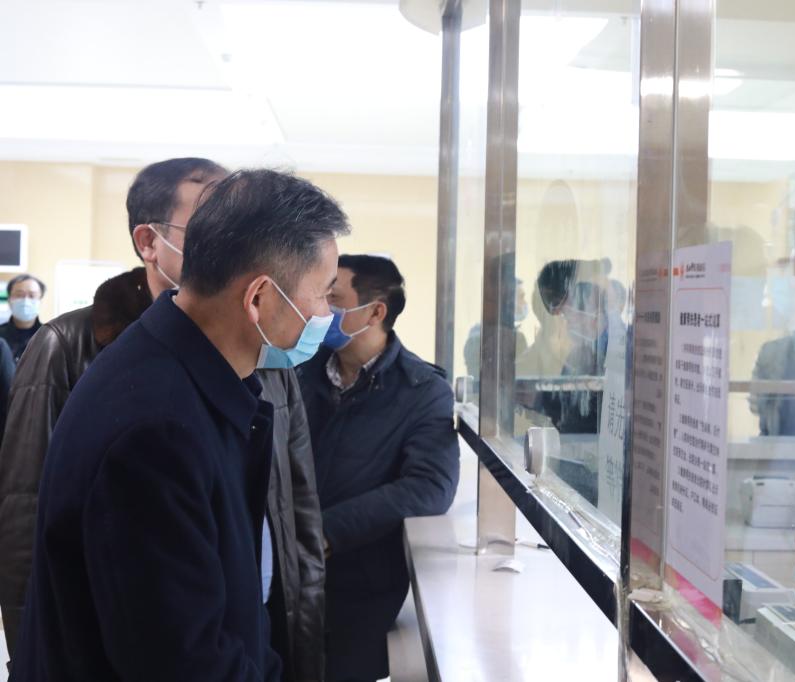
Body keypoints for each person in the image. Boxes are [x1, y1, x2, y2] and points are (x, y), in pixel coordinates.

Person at [0, 160, 332, 682]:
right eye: (324, 291)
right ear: (259, 298)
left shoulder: (199, 379)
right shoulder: (156, 429)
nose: (328, 313)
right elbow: (183, 659)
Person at [298, 255, 459, 682]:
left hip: (359, 594)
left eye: (333, 299)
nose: (320, 309)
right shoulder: (298, 371)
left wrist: (328, 531)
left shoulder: (422, 391)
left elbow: (429, 487)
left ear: (374, 312)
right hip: (286, 580)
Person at [0, 275, 45, 362]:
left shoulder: (50, 337)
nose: (25, 300)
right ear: (9, 300)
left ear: (40, 301)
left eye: (32, 296)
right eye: (19, 295)